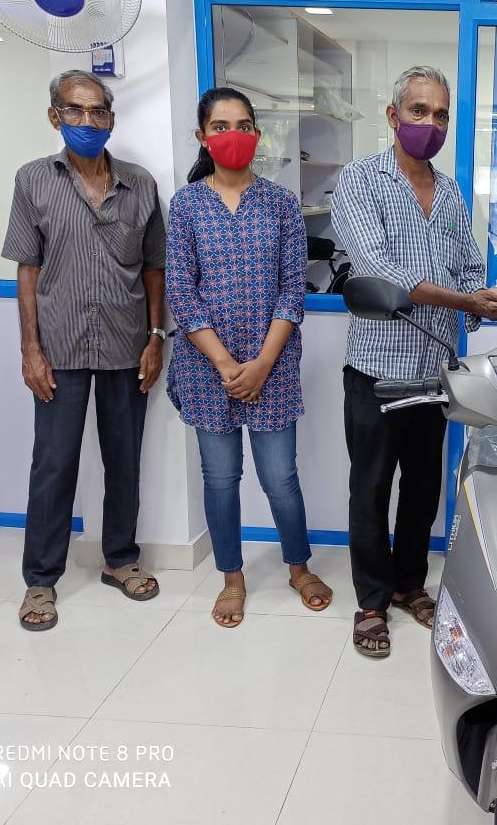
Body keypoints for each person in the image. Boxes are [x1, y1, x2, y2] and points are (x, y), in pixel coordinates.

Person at [332, 65, 497, 658]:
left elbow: (469, 264)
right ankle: (371, 600)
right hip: (377, 368)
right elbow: (378, 269)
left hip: (437, 369)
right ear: (394, 116)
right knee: (370, 488)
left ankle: (410, 584)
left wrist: (488, 300)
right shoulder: (360, 180)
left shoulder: (451, 192)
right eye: (419, 111)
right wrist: (467, 301)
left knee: (422, 487)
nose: (431, 124)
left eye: (441, 114)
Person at [3, 70, 165, 632]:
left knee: (124, 458)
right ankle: (40, 580)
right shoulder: (33, 180)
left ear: (111, 119)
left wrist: (156, 337)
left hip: (126, 344)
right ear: (56, 116)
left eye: (98, 112)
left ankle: (120, 558)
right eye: (75, 110)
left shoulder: (140, 184)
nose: (88, 122)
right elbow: (28, 269)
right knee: (54, 464)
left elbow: (154, 268)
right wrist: (30, 349)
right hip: (59, 346)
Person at [165, 88, 331, 628]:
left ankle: (298, 568)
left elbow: (291, 291)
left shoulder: (281, 203)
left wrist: (261, 364)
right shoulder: (186, 206)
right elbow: (181, 292)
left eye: (242, 125)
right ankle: (232, 579)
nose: (232, 135)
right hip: (206, 368)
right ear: (202, 136)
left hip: (272, 367)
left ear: (257, 135)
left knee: (281, 478)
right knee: (220, 479)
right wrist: (223, 363)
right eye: (220, 126)